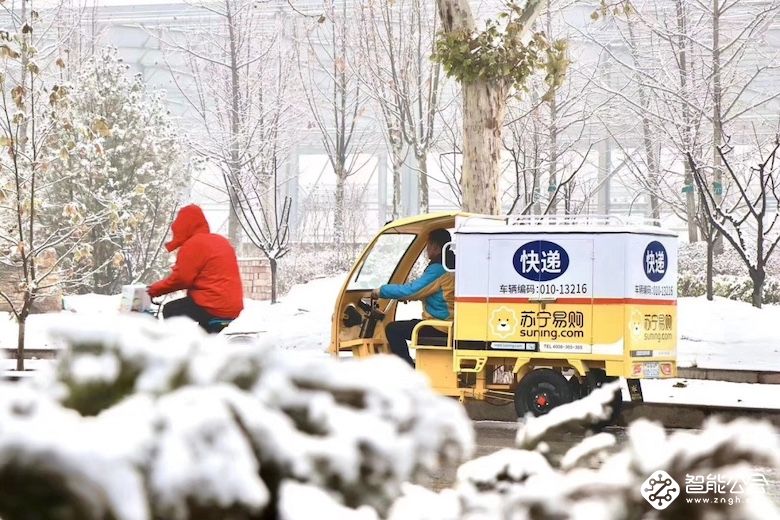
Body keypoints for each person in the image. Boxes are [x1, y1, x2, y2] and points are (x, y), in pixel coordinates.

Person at [147, 204, 244, 332]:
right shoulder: (220, 240)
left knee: (171, 310)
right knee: (203, 339)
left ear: (183, 226)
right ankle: (196, 344)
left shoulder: (193, 244)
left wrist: (153, 290)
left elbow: (181, 279)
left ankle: (176, 345)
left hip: (213, 305)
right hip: (232, 306)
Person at [372, 228, 454, 367]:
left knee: (393, 329)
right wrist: (409, 297)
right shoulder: (451, 265)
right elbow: (435, 292)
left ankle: (408, 370)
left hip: (441, 326)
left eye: (428, 245)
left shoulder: (438, 269)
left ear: (435, 246)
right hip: (449, 322)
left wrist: (381, 291)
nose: (426, 249)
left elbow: (412, 290)